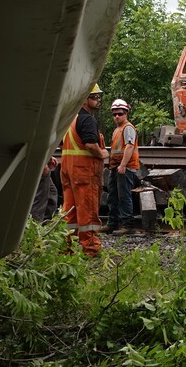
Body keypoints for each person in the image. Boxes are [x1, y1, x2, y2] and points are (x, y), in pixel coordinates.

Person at [60, 83, 109, 256]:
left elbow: (60, 143)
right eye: (94, 97)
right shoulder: (87, 119)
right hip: (84, 171)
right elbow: (90, 145)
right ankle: (91, 249)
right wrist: (103, 154)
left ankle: (67, 248)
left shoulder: (69, 119)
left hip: (68, 170)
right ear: (84, 99)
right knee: (87, 209)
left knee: (70, 210)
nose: (98, 100)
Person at [103, 98, 141, 235]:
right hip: (115, 167)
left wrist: (123, 165)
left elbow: (130, 146)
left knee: (124, 196)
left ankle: (127, 225)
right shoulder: (117, 130)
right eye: (114, 114)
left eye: (120, 113)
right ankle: (112, 224)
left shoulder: (128, 128)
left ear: (126, 113)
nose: (117, 116)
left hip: (125, 168)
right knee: (112, 196)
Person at [29, 156, 58, 222]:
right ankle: (34, 227)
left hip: (41, 160)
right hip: (37, 162)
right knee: (40, 200)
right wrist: (43, 163)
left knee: (52, 193)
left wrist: (48, 157)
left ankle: (45, 225)